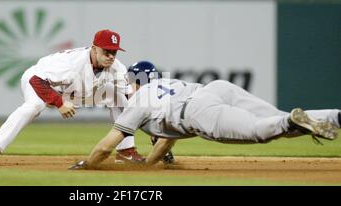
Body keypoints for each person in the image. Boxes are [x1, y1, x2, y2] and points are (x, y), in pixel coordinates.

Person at [69, 61, 340, 169]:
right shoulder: (168, 84)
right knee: (279, 122)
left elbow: (108, 144)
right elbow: (165, 140)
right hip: (216, 90)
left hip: (199, 112)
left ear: (135, 80)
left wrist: (88, 165)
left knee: (261, 131)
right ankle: (336, 116)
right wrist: (149, 164)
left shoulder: (139, 98)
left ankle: (290, 120)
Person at [0, 29, 145, 166]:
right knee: (34, 107)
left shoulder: (117, 67)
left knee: (118, 97)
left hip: (74, 92)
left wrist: (152, 125)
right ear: (94, 48)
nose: (111, 56)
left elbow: (133, 99)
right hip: (40, 81)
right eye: (106, 51)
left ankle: (126, 151)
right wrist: (59, 102)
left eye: (114, 52)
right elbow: (35, 80)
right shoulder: (71, 63)